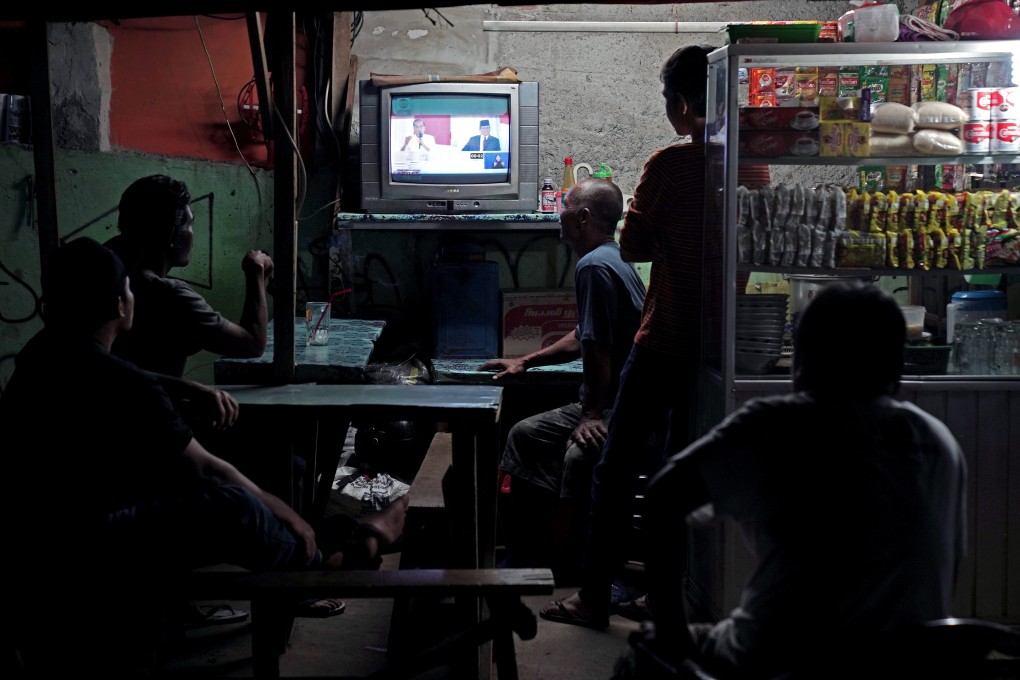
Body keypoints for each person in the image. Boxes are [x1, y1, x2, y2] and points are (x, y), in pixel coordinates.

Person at [1, 238, 410, 676]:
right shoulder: (131, 378)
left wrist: (180, 387)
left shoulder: (39, 355)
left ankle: (341, 538)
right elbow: (208, 468)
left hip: (35, 535)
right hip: (88, 541)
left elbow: (106, 371)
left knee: (241, 479)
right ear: (121, 305)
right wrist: (288, 514)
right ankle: (324, 562)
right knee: (237, 504)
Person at [626, 281, 967, 679]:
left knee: (642, 653)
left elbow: (663, 497)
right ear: (896, 365)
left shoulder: (777, 426)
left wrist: (674, 636)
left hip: (777, 660)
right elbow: (943, 575)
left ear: (804, 362)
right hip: (906, 663)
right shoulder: (939, 442)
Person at [540, 45, 770, 629]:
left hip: (666, 337)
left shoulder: (667, 164)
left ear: (683, 102)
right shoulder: (755, 164)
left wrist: (669, 236)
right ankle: (665, 596)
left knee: (614, 470)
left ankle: (593, 598)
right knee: (680, 470)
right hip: (722, 344)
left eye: (670, 102)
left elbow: (635, 244)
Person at [104, 174, 343, 620]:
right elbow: (252, 343)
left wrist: (178, 386)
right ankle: (304, 568)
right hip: (148, 448)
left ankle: (315, 553)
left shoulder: (108, 271)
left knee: (268, 465)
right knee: (274, 471)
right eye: (190, 223)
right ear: (171, 233)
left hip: (124, 441)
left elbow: (96, 367)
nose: (194, 233)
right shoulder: (163, 292)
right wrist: (256, 277)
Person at [479, 179, 645, 584]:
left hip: (617, 409)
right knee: (526, 435)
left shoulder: (593, 266)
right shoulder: (613, 257)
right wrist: (526, 361)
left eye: (565, 205)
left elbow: (599, 350)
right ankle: (531, 553)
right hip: (618, 402)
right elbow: (582, 333)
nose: (559, 212)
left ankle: (570, 569)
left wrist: (591, 415)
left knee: (574, 455)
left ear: (583, 217)